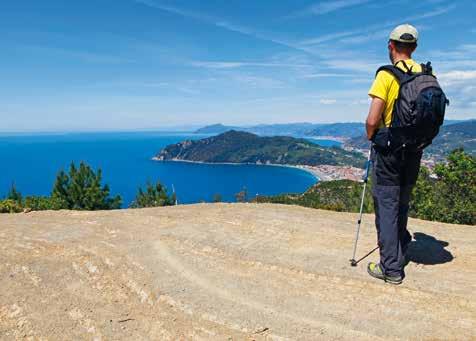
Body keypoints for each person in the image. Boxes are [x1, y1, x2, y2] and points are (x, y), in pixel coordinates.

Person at [365, 24, 424, 285]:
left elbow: (372, 119)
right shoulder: (425, 74)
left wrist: (371, 136)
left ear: (391, 45)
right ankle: (401, 245)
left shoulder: (386, 75)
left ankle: (390, 268)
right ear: (414, 47)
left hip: (390, 153)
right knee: (402, 201)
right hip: (415, 150)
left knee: (386, 206)